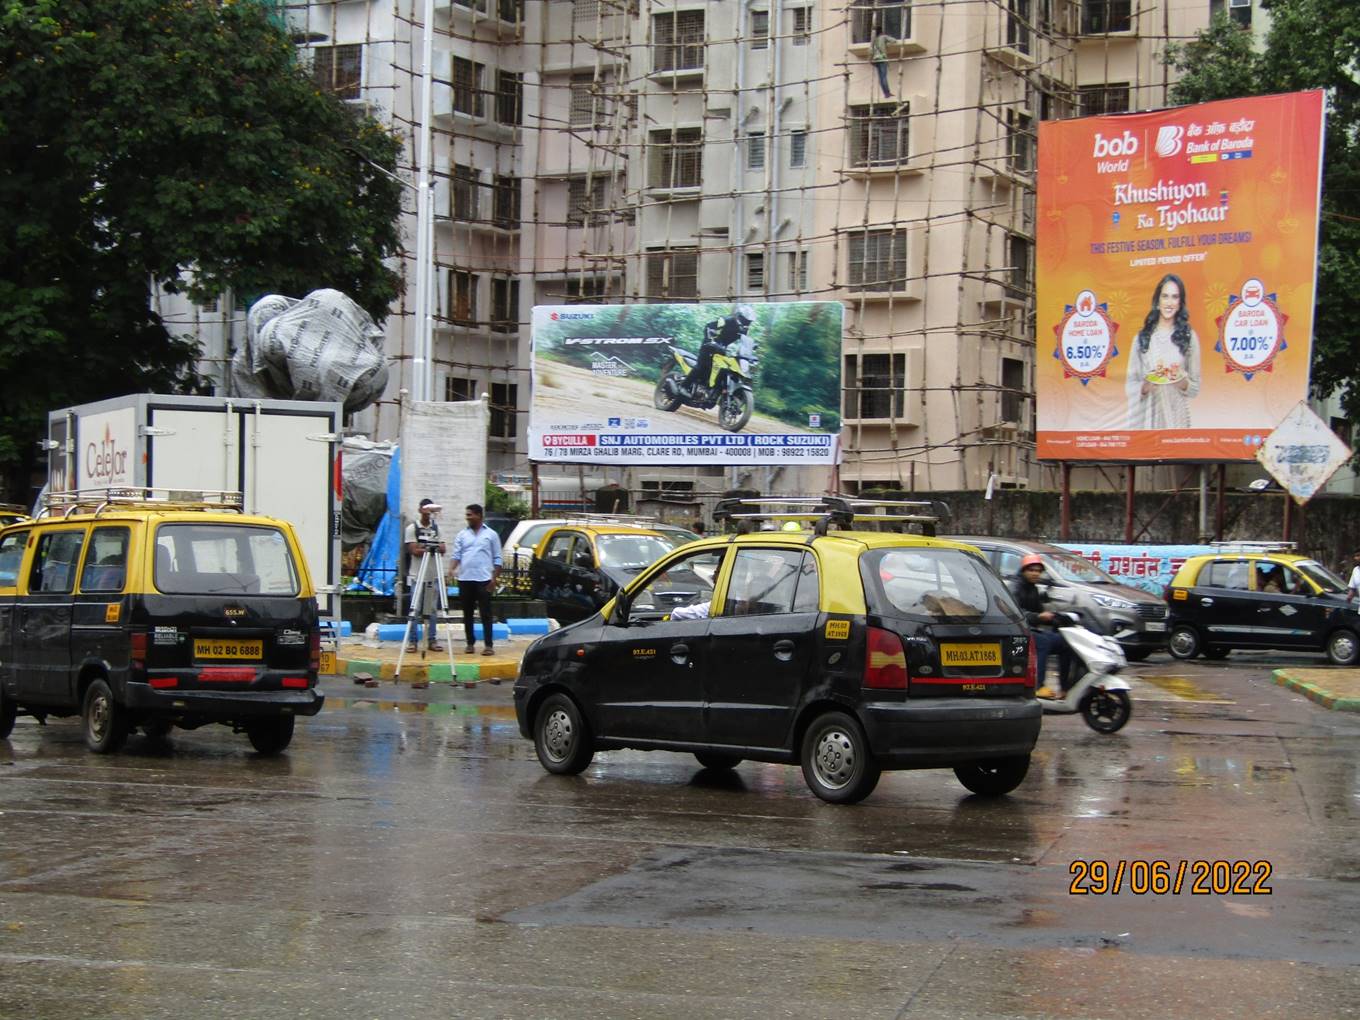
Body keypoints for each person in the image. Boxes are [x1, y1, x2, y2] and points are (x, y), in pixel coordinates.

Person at [1126, 273, 1201, 430]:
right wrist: (1146, 386)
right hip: (1148, 421)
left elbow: (1195, 389)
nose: (1169, 302)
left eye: (1175, 297)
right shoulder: (1142, 338)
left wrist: (1179, 380)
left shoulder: (1188, 337)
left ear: (1180, 303)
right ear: (1157, 301)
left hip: (1177, 420)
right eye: (1165, 296)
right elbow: (1130, 385)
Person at [1010, 554, 1073, 699]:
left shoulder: (1033, 588)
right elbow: (1016, 614)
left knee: (1066, 643)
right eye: (1031, 570)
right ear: (1024, 571)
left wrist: (1057, 619)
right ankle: (1038, 686)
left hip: (1032, 629)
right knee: (1042, 643)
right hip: (1019, 632)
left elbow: (1040, 613)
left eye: (1038, 571)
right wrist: (1038, 617)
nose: (1035, 574)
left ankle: (1064, 688)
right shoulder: (1016, 588)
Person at [451, 503, 503, 655]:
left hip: (484, 579)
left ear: (479, 515)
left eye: (470, 515)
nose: (467, 518)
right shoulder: (462, 534)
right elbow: (456, 555)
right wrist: (451, 569)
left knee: (485, 613)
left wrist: (494, 578)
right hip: (465, 578)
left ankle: (488, 645)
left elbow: (498, 558)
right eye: (467, 515)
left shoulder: (491, 535)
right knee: (467, 613)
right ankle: (470, 643)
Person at [682, 304, 755, 398]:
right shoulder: (725, 320)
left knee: (726, 370)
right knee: (702, 366)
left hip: (722, 351)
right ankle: (684, 386)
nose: (747, 323)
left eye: (749, 322)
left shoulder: (744, 330)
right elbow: (708, 327)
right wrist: (710, 340)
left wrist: (750, 349)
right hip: (709, 347)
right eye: (746, 320)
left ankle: (714, 391)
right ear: (739, 316)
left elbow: (743, 342)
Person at [403, 498, 446, 652]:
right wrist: (431, 547)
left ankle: (432, 639)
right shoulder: (412, 528)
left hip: (432, 575)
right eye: (425, 509)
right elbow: (413, 550)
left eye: (430, 509)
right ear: (420, 510)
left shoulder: (437, 528)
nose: (428, 512)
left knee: (432, 609)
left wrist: (426, 547)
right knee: (415, 608)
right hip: (417, 575)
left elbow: (443, 549)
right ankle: (413, 641)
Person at [870, 29, 892, 98]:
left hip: (876, 60)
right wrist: (887, 44)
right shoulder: (883, 37)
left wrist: (870, 59)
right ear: (881, 33)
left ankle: (885, 93)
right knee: (884, 77)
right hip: (882, 59)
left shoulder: (874, 41)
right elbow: (894, 40)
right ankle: (888, 93)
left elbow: (870, 51)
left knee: (881, 78)